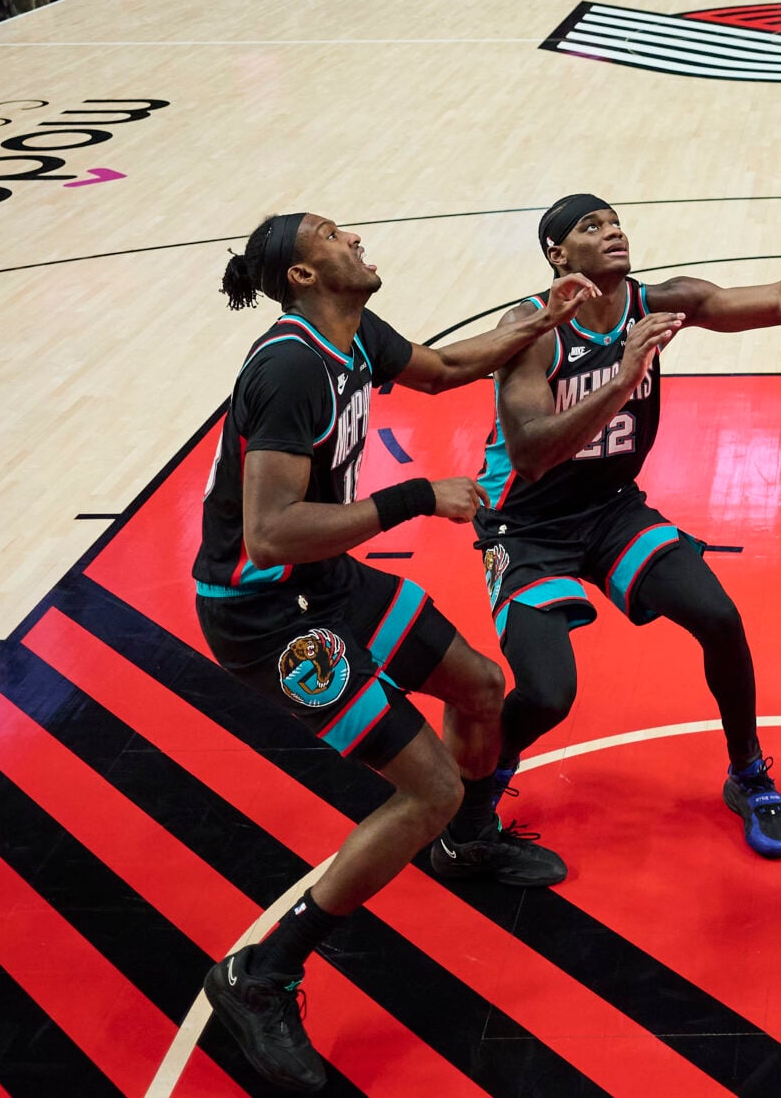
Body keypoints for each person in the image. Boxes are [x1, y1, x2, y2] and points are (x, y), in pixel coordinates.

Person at [198, 214, 593, 1091]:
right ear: (304, 275)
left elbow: (450, 367)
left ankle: (463, 845)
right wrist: (415, 495)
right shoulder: (293, 364)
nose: (356, 239)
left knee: (483, 686)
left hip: (324, 578)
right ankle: (260, 975)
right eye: (336, 235)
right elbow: (266, 535)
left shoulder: (352, 333)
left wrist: (546, 315)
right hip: (267, 613)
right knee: (431, 785)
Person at [479, 176, 781, 861]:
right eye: (592, 225)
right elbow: (532, 451)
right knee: (547, 692)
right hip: (527, 525)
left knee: (717, 615)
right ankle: (473, 802)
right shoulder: (534, 329)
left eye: (615, 220)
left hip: (607, 508)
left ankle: (747, 771)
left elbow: (779, 302)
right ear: (557, 253)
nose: (613, 230)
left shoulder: (659, 301)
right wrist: (623, 378)